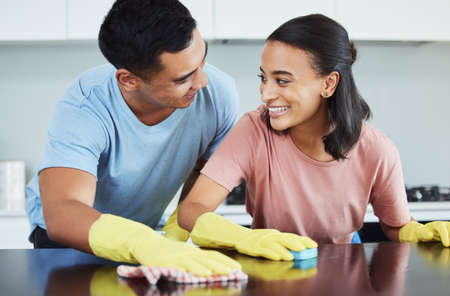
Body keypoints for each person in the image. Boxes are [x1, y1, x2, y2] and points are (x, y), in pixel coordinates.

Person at [178, 14, 450, 260]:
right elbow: (192, 209)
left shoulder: (377, 150)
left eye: (282, 80)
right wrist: (242, 237)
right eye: (264, 78)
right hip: (271, 272)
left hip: (344, 274)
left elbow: (395, 225)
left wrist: (418, 232)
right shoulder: (254, 131)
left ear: (328, 83)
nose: (265, 93)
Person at [25, 0, 240, 276]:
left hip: (146, 233)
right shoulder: (85, 106)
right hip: (73, 239)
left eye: (203, 60)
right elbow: (64, 212)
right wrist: (141, 242)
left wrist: (176, 231)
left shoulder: (219, 94)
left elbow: (204, 169)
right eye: (183, 78)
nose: (202, 82)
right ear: (128, 80)